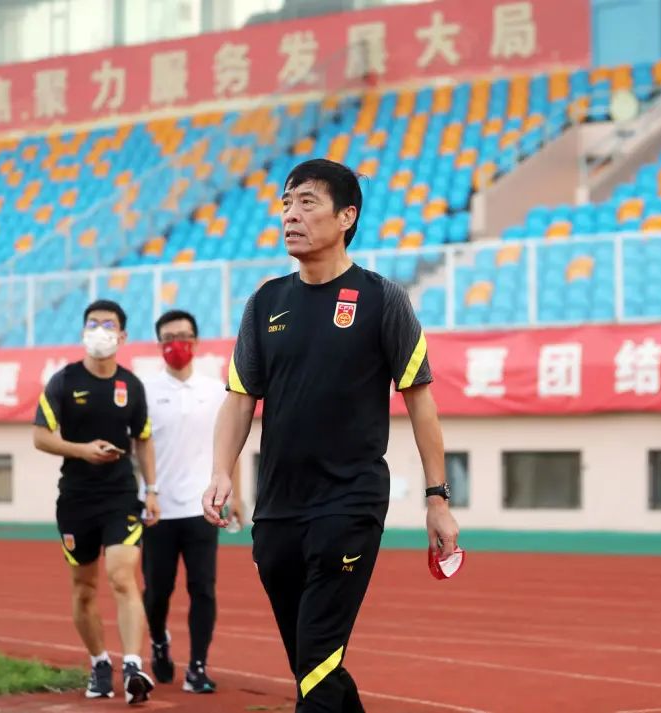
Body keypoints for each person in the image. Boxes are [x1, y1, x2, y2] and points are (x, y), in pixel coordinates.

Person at [202, 158, 460, 712]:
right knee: (313, 664)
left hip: (349, 502)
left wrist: (437, 500)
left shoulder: (382, 298)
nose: (290, 216)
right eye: (286, 204)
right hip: (278, 509)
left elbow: (421, 401)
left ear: (347, 217)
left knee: (316, 658)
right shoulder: (265, 303)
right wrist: (221, 470)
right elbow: (240, 398)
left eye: (307, 202)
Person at [33, 299, 159, 705]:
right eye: (93, 324)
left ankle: (133, 665)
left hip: (120, 496)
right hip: (76, 499)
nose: (100, 331)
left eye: (108, 325)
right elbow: (40, 436)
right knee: (84, 588)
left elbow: (143, 438)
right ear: (83, 332)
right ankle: (100, 662)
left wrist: (152, 490)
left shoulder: (131, 385)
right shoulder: (63, 381)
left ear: (122, 336)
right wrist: (82, 450)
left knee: (122, 576)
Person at [140, 309, 244, 693]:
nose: (176, 345)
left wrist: (237, 493)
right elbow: (136, 447)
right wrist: (145, 492)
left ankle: (198, 666)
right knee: (157, 591)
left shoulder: (215, 391)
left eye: (183, 337)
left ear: (196, 342)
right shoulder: (144, 391)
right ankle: (159, 641)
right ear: (159, 344)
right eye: (168, 338)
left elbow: (230, 444)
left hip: (202, 509)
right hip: (158, 510)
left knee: (203, 589)